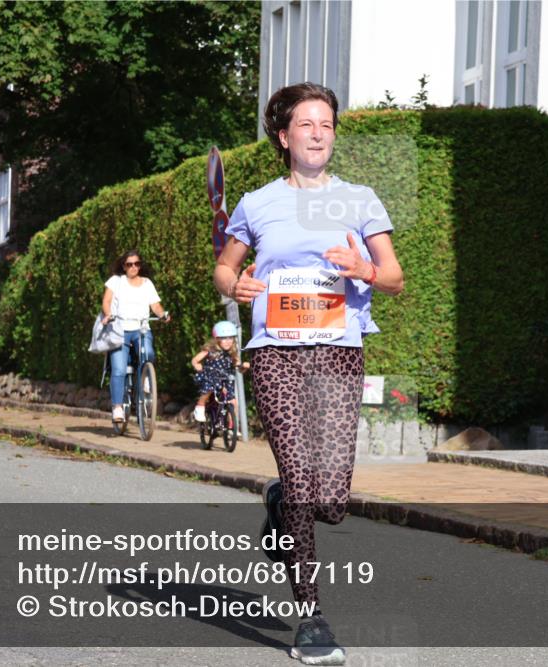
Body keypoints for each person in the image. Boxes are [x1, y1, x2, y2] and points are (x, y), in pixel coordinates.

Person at [213, 82, 404, 666]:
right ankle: (312, 615)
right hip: (276, 352)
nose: (318, 133)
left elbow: (395, 277)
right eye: (306, 124)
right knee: (302, 479)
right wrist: (236, 286)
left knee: (332, 500)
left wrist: (363, 268)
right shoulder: (257, 202)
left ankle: (277, 503)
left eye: (326, 124)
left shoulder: (361, 198)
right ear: (284, 136)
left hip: (339, 352)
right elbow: (225, 269)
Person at [101, 249, 169, 422]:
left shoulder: (147, 283)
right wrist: (108, 314)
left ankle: (145, 377)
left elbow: (155, 305)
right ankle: (117, 407)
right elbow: (106, 301)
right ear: (124, 266)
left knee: (149, 353)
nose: (133, 267)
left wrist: (163, 315)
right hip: (119, 330)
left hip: (141, 328)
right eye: (129, 264)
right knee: (118, 369)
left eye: (137, 264)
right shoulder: (116, 281)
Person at [190, 320, 250, 422]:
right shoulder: (210, 350)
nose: (227, 341)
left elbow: (239, 369)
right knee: (209, 387)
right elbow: (195, 360)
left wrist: (244, 367)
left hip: (226, 380)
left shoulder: (233, 354)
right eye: (224, 338)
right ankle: (199, 407)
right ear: (217, 339)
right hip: (210, 377)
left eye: (230, 338)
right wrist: (197, 365)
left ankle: (232, 428)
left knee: (233, 402)